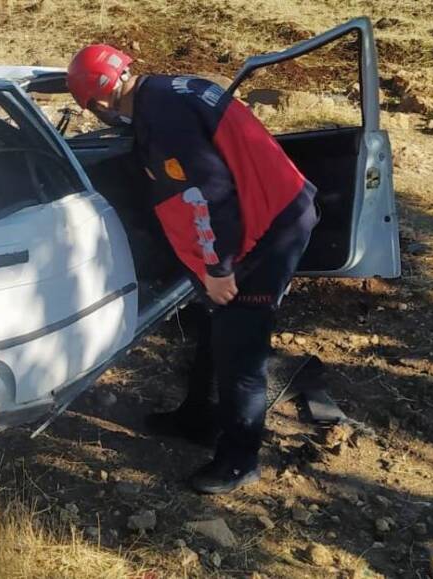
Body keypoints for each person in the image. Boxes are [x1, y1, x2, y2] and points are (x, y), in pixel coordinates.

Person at [66, 45, 318, 494]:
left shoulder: (163, 121)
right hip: (266, 206)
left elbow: (207, 195)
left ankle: (240, 460)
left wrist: (218, 268)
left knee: (242, 344)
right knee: (215, 324)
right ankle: (197, 418)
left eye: (92, 110)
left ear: (101, 103)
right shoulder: (165, 91)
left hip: (270, 225)